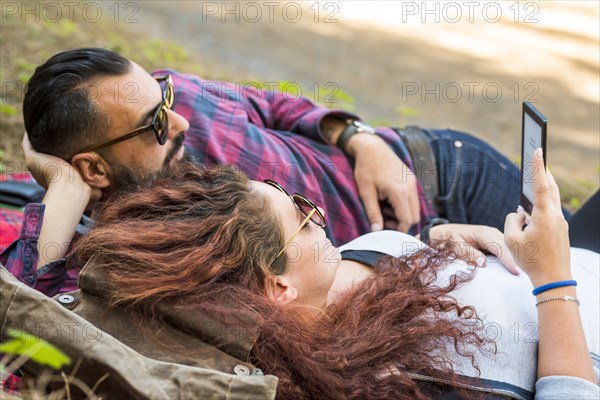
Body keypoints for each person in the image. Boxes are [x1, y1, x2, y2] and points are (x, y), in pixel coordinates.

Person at [64, 149, 598, 399]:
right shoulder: (382, 385)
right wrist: (552, 281)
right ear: (278, 289)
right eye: (303, 218)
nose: (318, 213)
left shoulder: (319, 290)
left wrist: (436, 236)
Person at [2, 47, 524, 296]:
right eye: (156, 122)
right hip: (419, 258)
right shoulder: (141, 241)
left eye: (165, 94)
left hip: (436, 166)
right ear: (92, 168)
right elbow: (27, 308)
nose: (179, 116)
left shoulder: (161, 96)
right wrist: (62, 183)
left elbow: (271, 105)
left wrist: (358, 136)